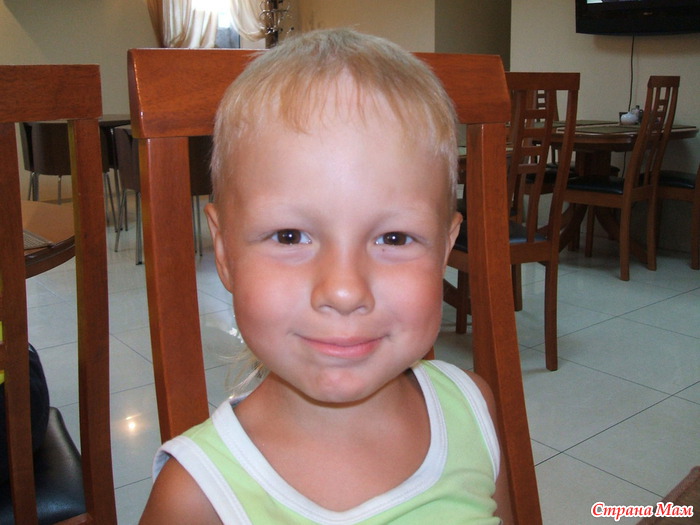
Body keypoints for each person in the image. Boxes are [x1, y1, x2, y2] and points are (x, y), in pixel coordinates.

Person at [140, 28, 512, 524]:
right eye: (290, 236)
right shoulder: (195, 500)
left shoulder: (473, 407)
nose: (343, 290)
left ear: (445, 250)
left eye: (394, 238)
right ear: (224, 252)